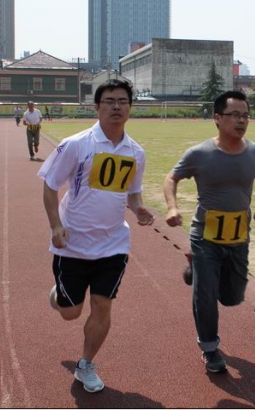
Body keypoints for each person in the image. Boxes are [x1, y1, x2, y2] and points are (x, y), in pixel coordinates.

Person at [39, 80, 155, 393]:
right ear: (96, 107)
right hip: (73, 244)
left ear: (131, 107)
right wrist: (55, 226)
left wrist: (140, 209)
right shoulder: (76, 144)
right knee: (70, 313)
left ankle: (86, 364)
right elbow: (50, 186)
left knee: (103, 306)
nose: (116, 107)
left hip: (113, 244)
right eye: (109, 101)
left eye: (122, 101)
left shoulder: (136, 153)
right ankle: (61, 296)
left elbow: (132, 194)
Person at [163, 90, 255, 374]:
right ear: (217, 118)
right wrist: (172, 207)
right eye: (234, 115)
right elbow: (170, 178)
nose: (241, 121)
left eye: (245, 115)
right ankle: (210, 348)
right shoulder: (199, 154)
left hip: (239, 236)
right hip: (205, 237)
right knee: (206, 295)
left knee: (232, 297)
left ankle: (195, 271)